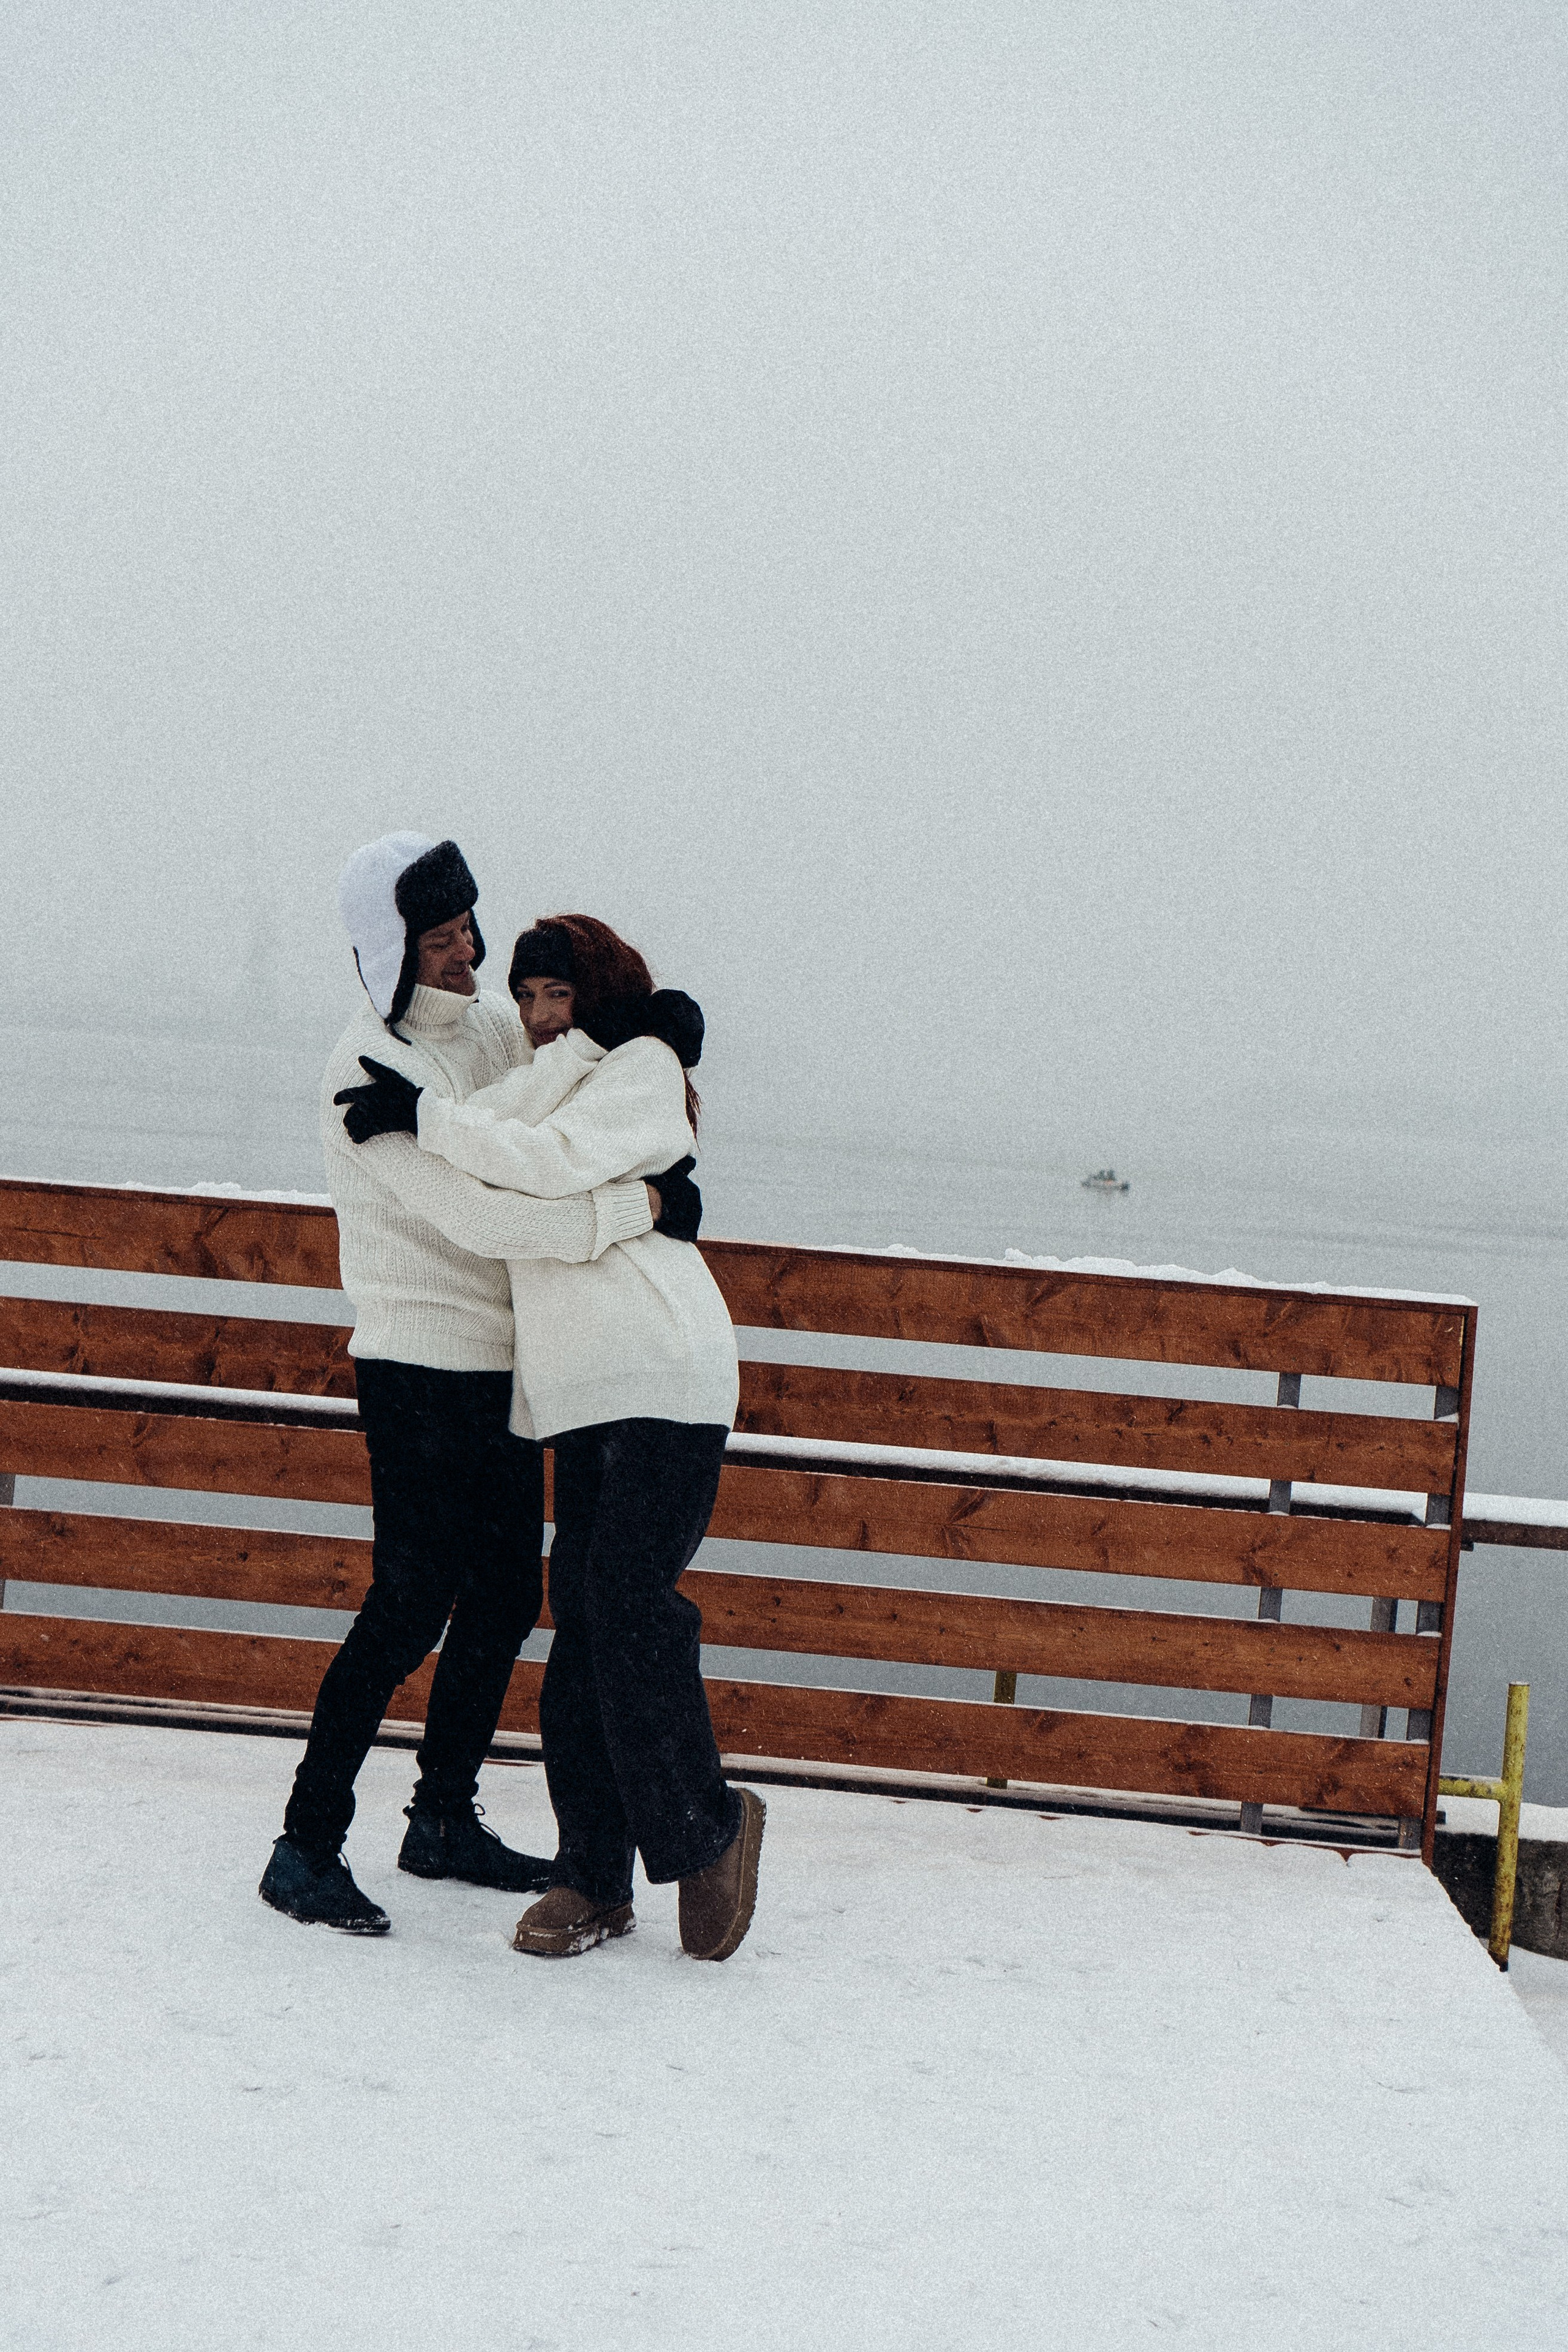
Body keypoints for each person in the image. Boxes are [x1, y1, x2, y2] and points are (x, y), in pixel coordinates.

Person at [259, 837, 698, 1936]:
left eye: (468, 932)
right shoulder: (367, 1070)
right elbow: (486, 1216)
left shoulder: (495, 1032)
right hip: (416, 1362)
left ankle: (441, 1817)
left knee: (505, 1598)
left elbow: (573, 1085)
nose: (466, 955)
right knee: (410, 1601)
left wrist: (655, 1031)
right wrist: (638, 1212)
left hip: (505, 1367)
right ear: (388, 950)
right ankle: (304, 1845)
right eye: (438, 939)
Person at [340, 914, 763, 1962]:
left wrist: (439, 1122)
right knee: (581, 1627)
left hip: (666, 1374)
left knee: (624, 1604)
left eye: (556, 997)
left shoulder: (641, 1063)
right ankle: (593, 1877)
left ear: (600, 993)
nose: (533, 1018)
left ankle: (710, 1829)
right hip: (573, 1395)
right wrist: (636, 1198)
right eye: (524, 998)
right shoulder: (550, 1070)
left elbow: (549, 1158)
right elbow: (502, 1159)